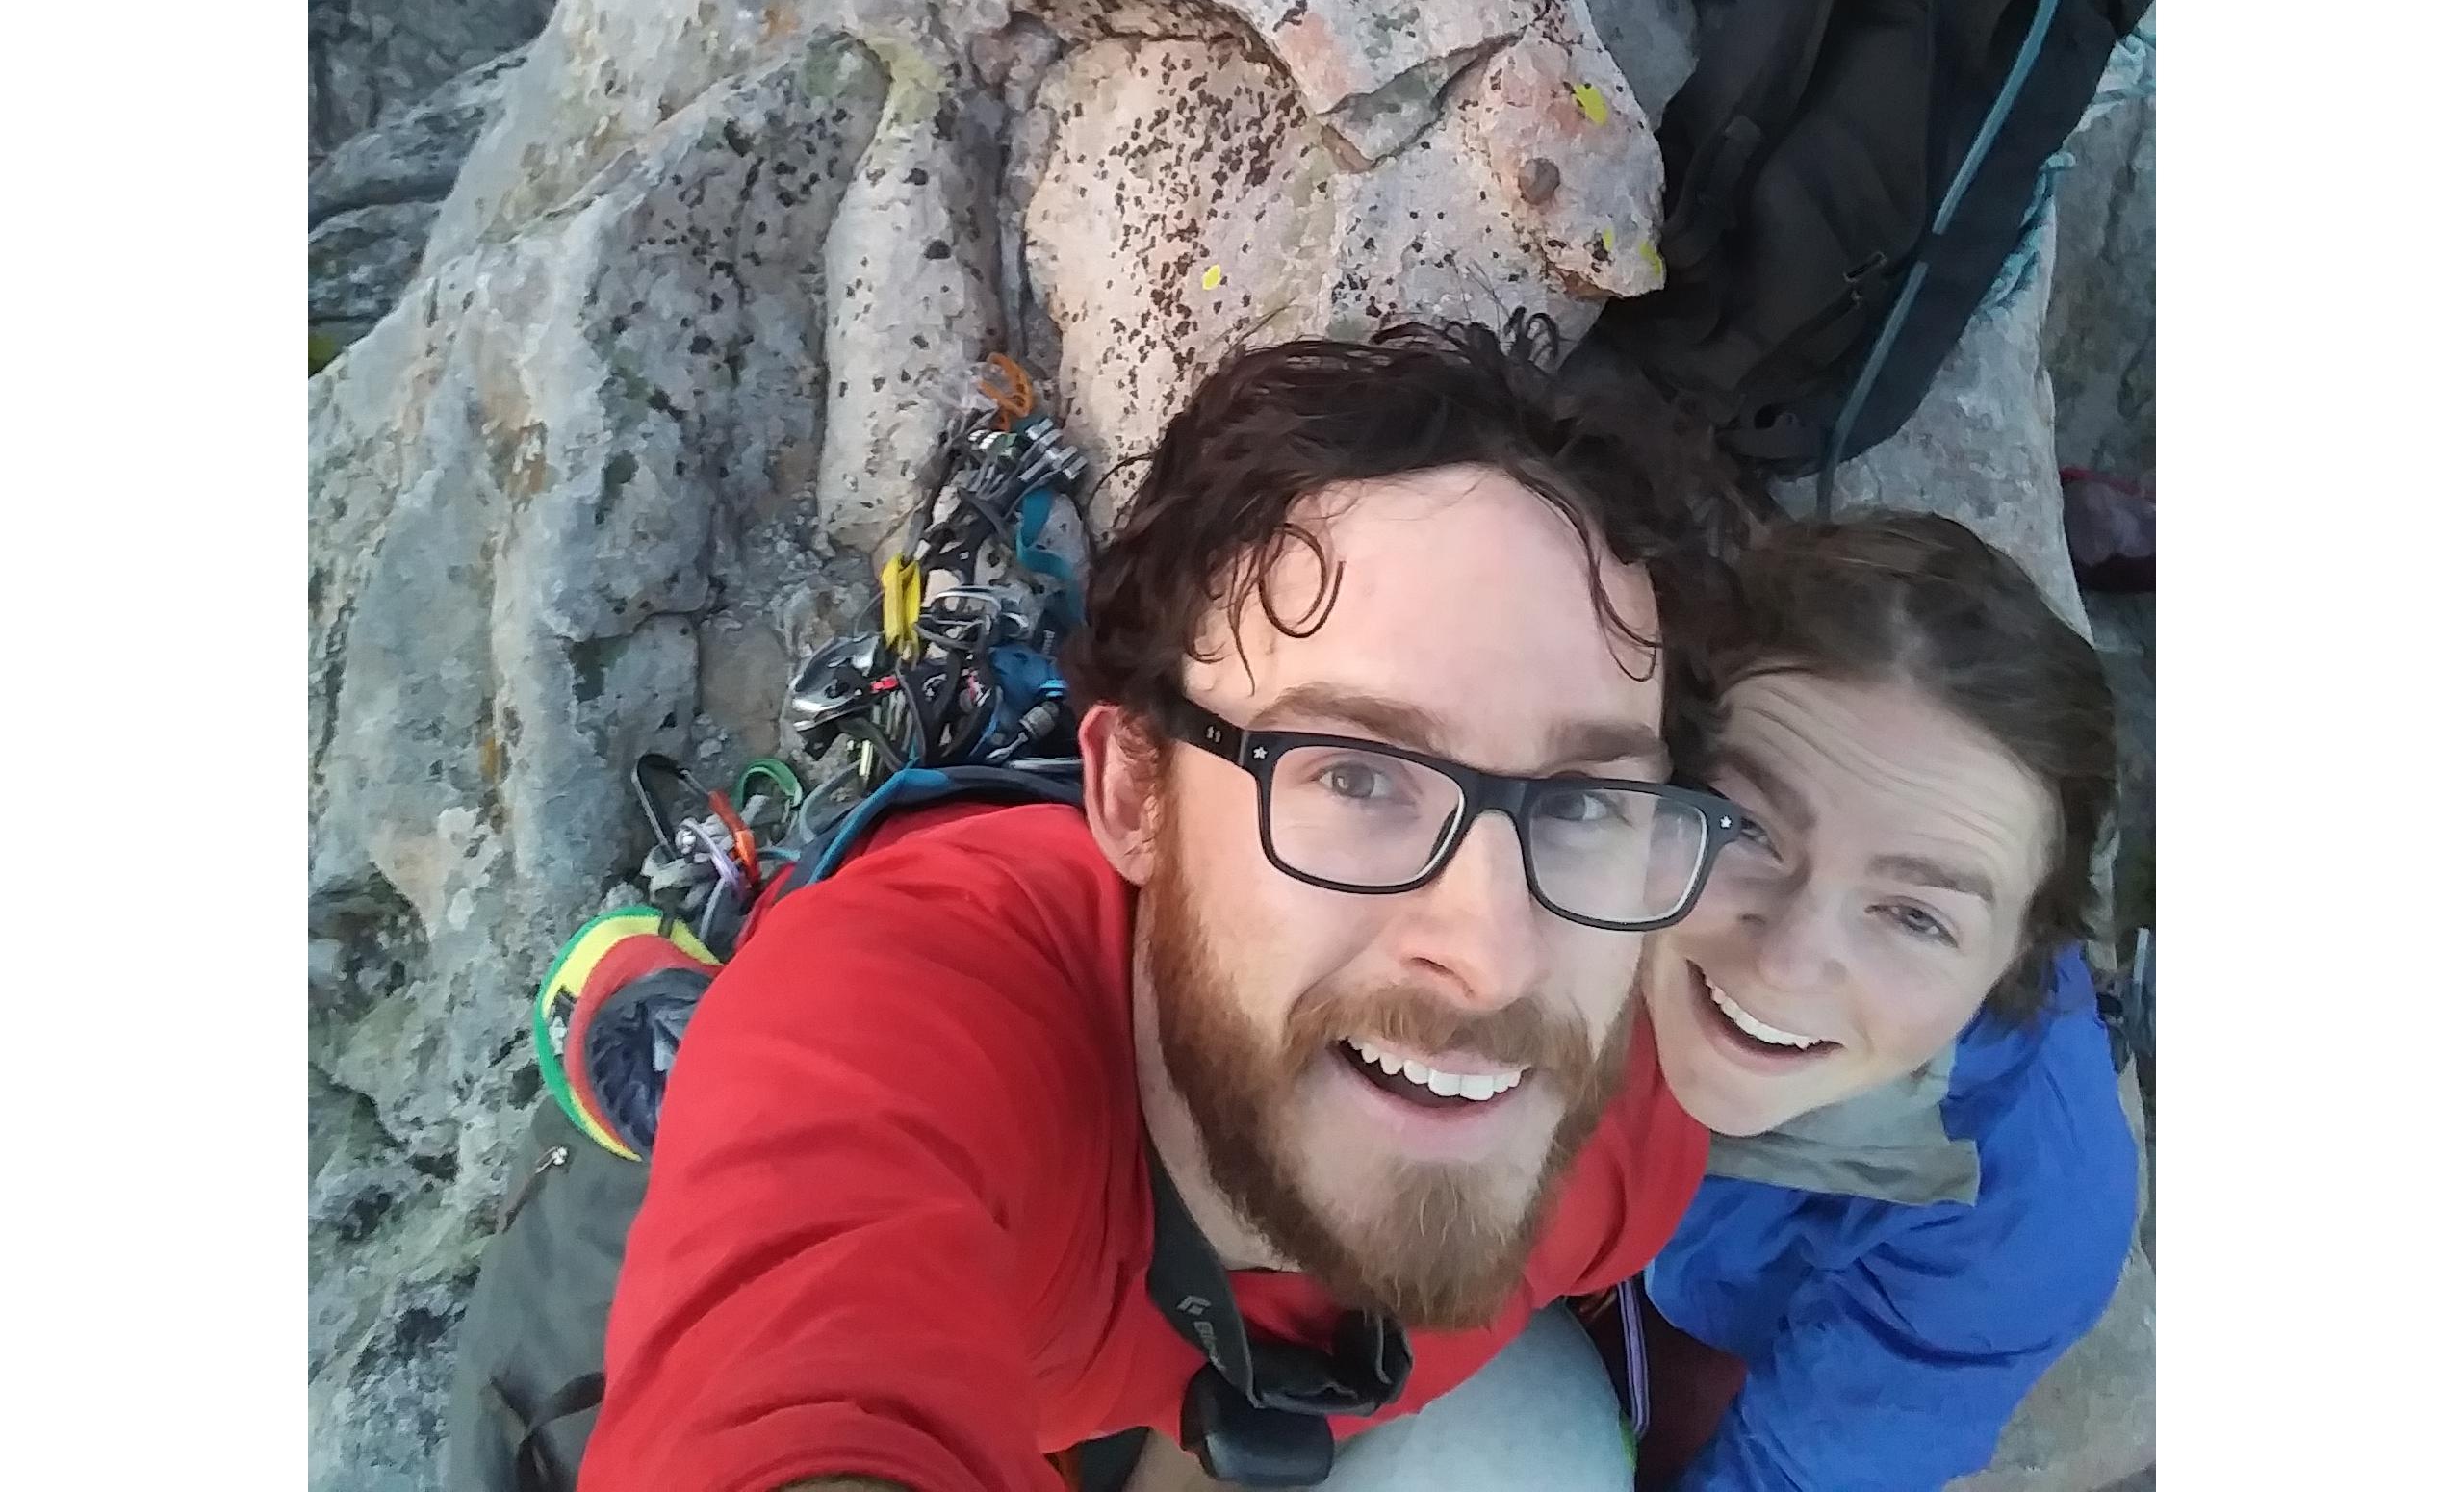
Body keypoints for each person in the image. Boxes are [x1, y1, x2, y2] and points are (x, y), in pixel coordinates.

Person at [578, 320, 1749, 1492]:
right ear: (1135, 792)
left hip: (1145, 1399)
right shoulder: (908, 1037)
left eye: (1585, 805)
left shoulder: (1619, 1137)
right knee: (683, 1117)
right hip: (892, 989)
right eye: (1352, 774)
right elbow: (802, 1361)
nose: (1495, 959)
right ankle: (682, 996)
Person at [1623, 511, 2141, 1492]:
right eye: (1747, 826)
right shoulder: (1558, 837)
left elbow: (1792, 1475)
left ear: (2017, 954)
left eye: (1910, 913)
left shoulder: (2024, 1211)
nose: (1786, 963)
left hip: (1692, 1317)